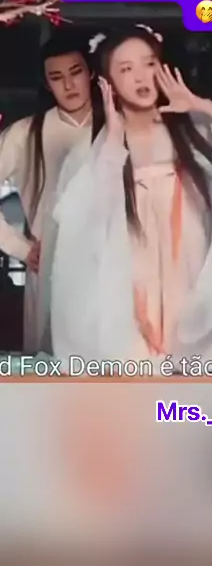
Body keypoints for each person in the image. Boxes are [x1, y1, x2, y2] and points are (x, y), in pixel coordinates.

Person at [50, 24, 212, 368]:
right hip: (132, 250)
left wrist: (201, 106)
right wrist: (113, 139)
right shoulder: (99, 146)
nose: (141, 77)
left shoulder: (189, 130)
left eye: (149, 64)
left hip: (185, 248)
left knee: (186, 331)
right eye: (126, 69)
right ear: (107, 82)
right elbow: (82, 215)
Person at [0, 29, 103, 353]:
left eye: (75, 73)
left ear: (91, 73)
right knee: (52, 360)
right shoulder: (24, 133)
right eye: (57, 78)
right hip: (50, 262)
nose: (69, 85)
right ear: (47, 84)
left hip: (114, 263)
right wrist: (20, 248)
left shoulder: (117, 127)